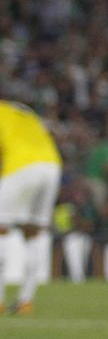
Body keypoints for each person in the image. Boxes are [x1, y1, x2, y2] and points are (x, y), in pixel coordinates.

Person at [0, 101, 63, 316]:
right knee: (34, 233)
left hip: (21, 165)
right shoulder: (26, 112)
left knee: (1, 229)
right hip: (51, 165)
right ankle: (26, 301)